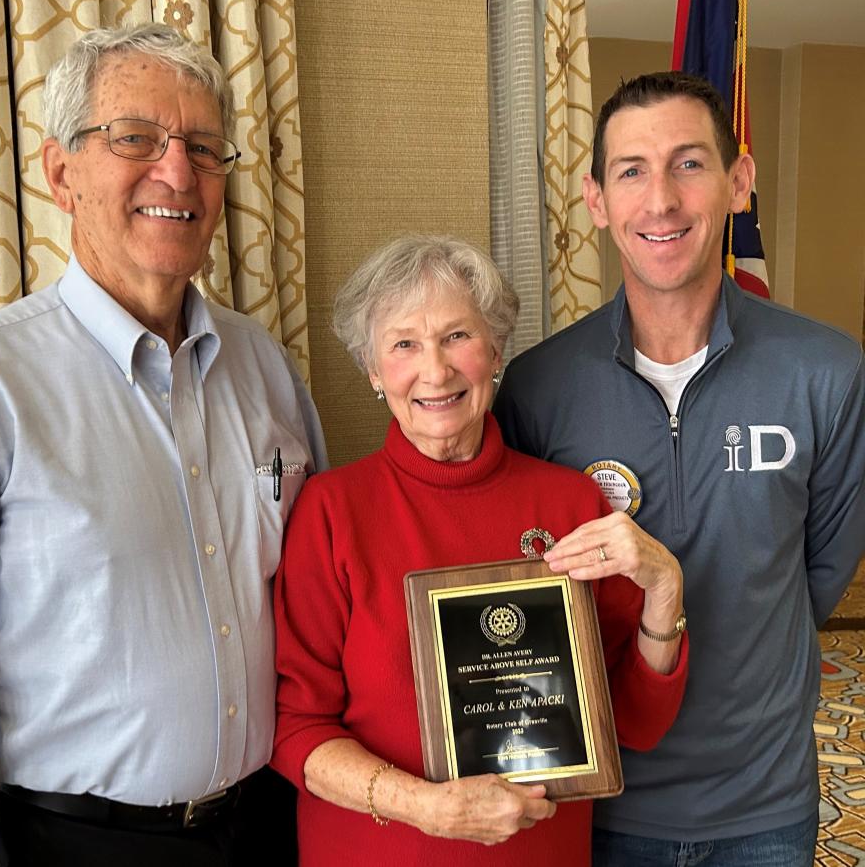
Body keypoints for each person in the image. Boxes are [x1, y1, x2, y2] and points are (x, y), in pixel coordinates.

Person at [0, 24, 326, 867]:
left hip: (273, 823)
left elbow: (327, 598)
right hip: (75, 842)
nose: (177, 172)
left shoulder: (269, 370)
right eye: (136, 138)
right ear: (62, 173)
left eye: (204, 148)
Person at [494, 71, 865, 866]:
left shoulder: (827, 371)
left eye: (689, 164)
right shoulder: (537, 386)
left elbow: (818, 574)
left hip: (765, 806)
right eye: (631, 170)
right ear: (595, 199)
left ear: (739, 182)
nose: (660, 199)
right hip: (605, 802)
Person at [270, 234, 688, 866]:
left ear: (495, 352)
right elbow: (295, 728)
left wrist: (664, 591)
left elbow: (635, 721)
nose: (434, 370)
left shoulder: (569, 504)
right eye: (404, 343)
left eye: (457, 337)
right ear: (373, 370)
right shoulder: (331, 512)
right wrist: (427, 807)